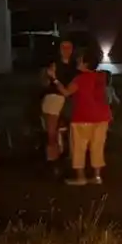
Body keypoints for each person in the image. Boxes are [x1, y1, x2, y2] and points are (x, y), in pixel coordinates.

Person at [59, 48, 111, 186]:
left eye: (80, 59)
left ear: (86, 63)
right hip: (102, 116)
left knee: (79, 147)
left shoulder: (79, 79)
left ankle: (80, 177)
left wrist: (55, 80)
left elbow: (66, 92)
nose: (78, 60)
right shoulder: (101, 77)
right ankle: (97, 176)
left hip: (83, 116)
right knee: (97, 147)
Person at [41, 38, 77, 169]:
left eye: (69, 47)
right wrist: (49, 75)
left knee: (73, 129)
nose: (66, 50)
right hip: (54, 97)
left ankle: (72, 158)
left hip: (70, 98)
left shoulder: (75, 66)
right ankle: (53, 160)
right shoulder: (53, 64)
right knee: (52, 131)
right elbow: (45, 83)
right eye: (63, 47)